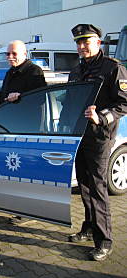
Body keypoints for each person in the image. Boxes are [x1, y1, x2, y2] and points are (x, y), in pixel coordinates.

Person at [67, 24, 127, 261]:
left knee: (98, 188)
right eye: (78, 43)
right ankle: (89, 227)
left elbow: (124, 104)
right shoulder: (76, 71)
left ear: (98, 43)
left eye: (86, 42)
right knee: (83, 185)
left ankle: (104, 240)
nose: (82, 46)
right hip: (79, 136)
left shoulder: (112, 68)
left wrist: (101, 117)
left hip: (99, 138)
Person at [0, 40, 47, 224]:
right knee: (17, 173)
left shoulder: (34, 72)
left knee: (27, 173)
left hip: (28, 131)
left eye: (14, 53)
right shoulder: (9, 72)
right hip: (11, 130)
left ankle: (30, 211)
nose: (10, 57)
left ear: (25, 54)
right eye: (8, 54)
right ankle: (19, 207)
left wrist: (20, 96)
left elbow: (40, 99)